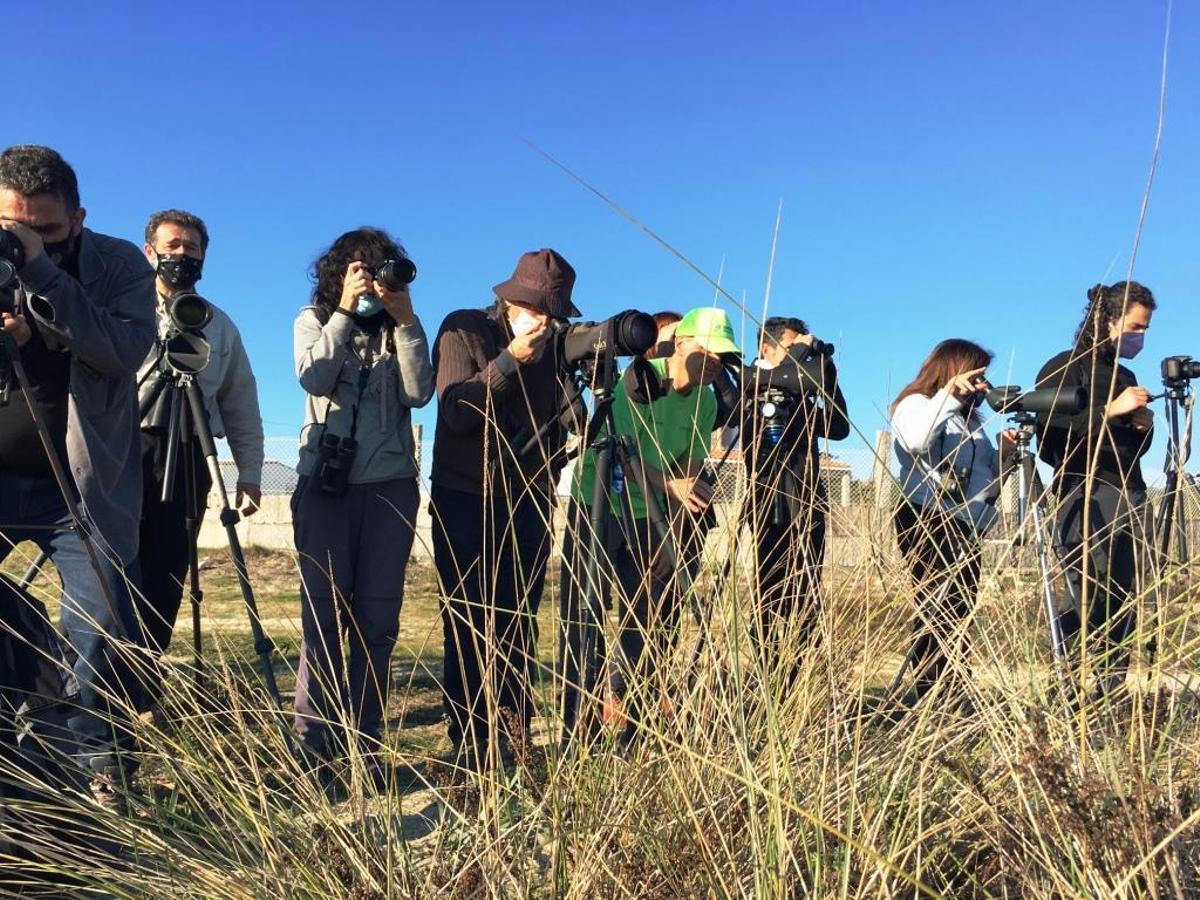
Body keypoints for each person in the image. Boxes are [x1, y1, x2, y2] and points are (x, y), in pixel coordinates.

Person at [0, 145, 156, 808]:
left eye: (46, 231)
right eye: (11, 228)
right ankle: (26, 726)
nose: (25, 240)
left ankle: (100, 766)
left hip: (83, 486)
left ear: (80, 218)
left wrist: (42, 275)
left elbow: (123, 349)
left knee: (99, 627)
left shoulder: (119, 265)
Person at [291, 227, 433, 779]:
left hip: (389, 489)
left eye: (380, 269)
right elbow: (314, 376)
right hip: (326, 489)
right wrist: (345, 312)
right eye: (361, 270)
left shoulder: (402, 329)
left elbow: (419, 392)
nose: (373, 280)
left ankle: (366, 745)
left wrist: (406, 320)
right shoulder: (312, 320)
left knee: (377, 623)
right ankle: (314, 749)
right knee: (322, 620)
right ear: (338, 274)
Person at [430, 248, 578, 767]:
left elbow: (573, 421)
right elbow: (455, 411)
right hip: (465, 497)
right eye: (535, 308)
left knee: (519, 624)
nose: (544, 321)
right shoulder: (464, 329)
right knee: (468, 623)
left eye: (552, 313)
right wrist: (511, 360)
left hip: (530, 500)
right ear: (509, 301)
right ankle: (470, 743)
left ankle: (516, 735)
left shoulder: (556, 349)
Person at [559, 307, 734, 743]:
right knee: (584, 613)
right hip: (599, 501)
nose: (716, 364)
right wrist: (671, 485)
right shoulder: (635, 381)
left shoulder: (707, 401)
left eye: (723, 357)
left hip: (649, 514)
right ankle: (578, 729)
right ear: (682, 343)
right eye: (709, 352)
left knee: (646, 615)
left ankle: (633, 721)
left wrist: (682, 507)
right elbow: (619, 451)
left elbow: (689, 464)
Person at [135, 209, 264, 686]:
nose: (181, 255)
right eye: (172, 246)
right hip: (125, 444)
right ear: (150, 251)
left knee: (168, 569)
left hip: (192, 451)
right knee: (111, 563)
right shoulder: (122, 305)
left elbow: (241, 402)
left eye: (191, 248)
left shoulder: (220, 326)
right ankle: (91, 681)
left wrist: (249, 472)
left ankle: (141, 682)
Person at [1035, 281, 1156, 698]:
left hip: (1130, 492)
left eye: (1145, 329)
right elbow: (1051, 442)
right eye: (1135, 327)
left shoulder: (1126, 374)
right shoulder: (1065, 367)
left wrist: (1142, 428)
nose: (1140, 337)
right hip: (1084, 492)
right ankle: (1066, 691)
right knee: (1083, 593)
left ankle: (1111, 692)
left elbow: (1130, 449)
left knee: (1123, 597)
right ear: (1107, 320)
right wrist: (1109, 410)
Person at [890, 339, 1010, 704]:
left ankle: (954, 687)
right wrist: (949, 396)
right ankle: (934, 694)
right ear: (956, 371)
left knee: (960, 608)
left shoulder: (970, 421)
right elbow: (915, 442)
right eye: (978, 376)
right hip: (927, 516)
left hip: (965, 524)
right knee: (937, 606)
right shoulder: (916, 403)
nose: (983, 386)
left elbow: (984, 477)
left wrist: (1006, 455)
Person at [737, 317, 849, 670]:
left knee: (806, 589)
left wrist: (828, 376)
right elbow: (754, 388)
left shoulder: (799, 400)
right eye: (791, 347)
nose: (800, 355)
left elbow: (839, 428)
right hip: (768, 501)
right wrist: (802, 354)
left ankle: (797, 670)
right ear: (766, 349)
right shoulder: (751, 386)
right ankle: (768, 669)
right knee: (770, 589)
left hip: (807, 500)